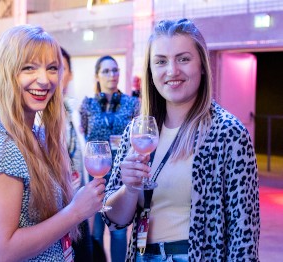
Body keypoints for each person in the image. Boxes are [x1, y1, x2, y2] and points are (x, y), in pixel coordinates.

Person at [102, 18, 260, 261]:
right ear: (151, 71)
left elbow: (244, 235)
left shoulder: (227, 133)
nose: (172, 71)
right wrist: (129, 188)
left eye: (183, 59)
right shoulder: (138, 132)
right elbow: (115, 220)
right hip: (144, 256)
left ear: (203, 65)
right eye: (161, 61)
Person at [0, 24, 106, 261]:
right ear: (6, 73)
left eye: (52, 68)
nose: (44, 80)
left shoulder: (36, 134)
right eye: (29, 68)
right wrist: (75, 211)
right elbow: (2, 252)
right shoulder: (1, 148)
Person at [79, 55, 140, 262]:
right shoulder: (87, 105)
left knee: (118, 229)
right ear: (97, 75)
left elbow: (136, 137)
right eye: (106, 71)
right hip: (96, 172)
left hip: (121, 171)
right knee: (95, 230)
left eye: (115, 70)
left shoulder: (132, 103)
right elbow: (86, 133)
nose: (112, 75)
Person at [61, 47, 93, 262]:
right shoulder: (34, 116)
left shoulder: (76, 110)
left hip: (79, 202)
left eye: (58, 68)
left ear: (70, 74)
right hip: (54, 210)